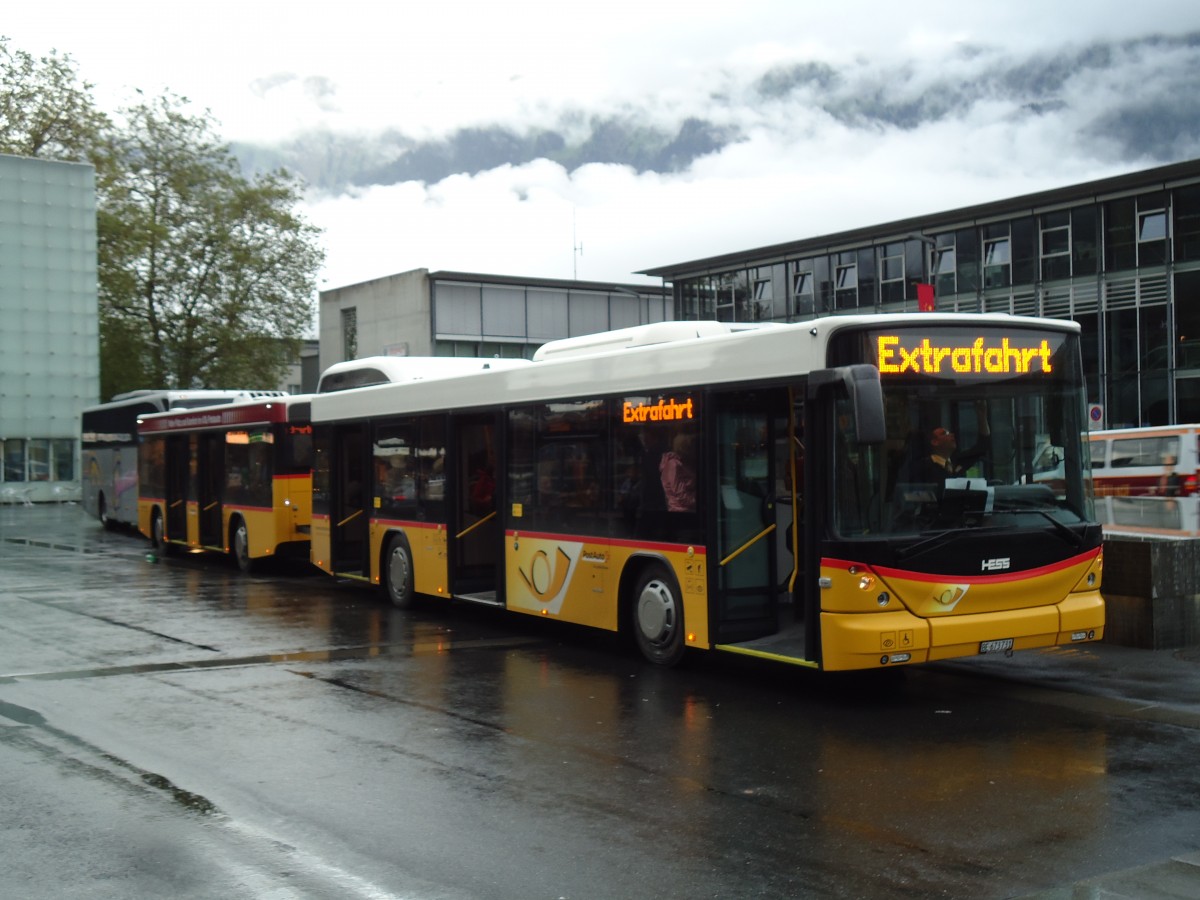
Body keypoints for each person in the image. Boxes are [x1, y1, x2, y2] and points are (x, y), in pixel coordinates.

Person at [660, 432, 697, 513]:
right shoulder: (673, 465)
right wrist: (696, 501)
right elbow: (679, 493)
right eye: (691, 446)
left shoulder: (684, 463)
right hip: (680, 509)